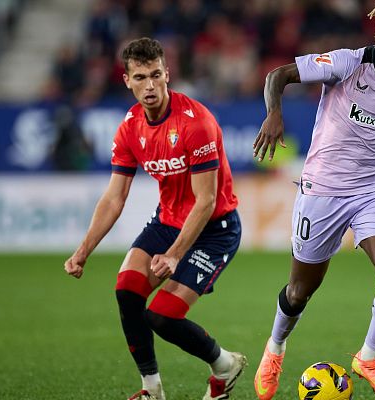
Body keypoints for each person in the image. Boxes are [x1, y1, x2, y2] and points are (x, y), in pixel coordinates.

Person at [251, 1, 375, 400]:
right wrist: (274, 113)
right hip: (323, 189)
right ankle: (274, 349)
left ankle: (368, 359)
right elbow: (278, 75)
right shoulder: (346, 63)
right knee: (299, 291)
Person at [64, 37, 246, 400]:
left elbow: (207, 200)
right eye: (141, 77)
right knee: (127, 291)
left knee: (162, 317)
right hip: (167, 221)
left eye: (156, 75)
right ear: (127, 81)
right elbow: (115, 197)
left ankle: (225, 365)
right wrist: (83, 250)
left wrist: (176, 254)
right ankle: (152, 390)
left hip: (213, 230)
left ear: (168, 74)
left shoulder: (197, 123)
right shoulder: (130, 127)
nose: (150, 85)